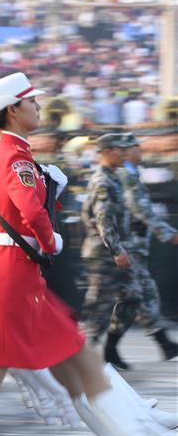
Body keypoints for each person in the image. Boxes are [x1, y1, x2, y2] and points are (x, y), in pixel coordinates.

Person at [0, 73, 175, 436]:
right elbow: (30, 211)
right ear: (13, 109)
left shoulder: (0, 152)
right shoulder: (12, 156)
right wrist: (51, 241)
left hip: (12, 276)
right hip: (10, 278)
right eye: (32, 101)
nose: (39, 107)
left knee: (81, 363)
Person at [80, 133, 141, 369]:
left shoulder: (116, 178)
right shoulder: (102, 181)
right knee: (98, 308)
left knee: (132, 297)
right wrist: (117, 250)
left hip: (116, 250)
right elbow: (103, 220)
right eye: (119, 149)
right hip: (103, 253)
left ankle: (110, 349)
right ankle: (81, 358)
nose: (124, 153)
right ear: (106, 152)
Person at [118, 132, 178, 360]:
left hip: (135, 244)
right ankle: (96, 345)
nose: (141, 151)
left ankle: (162, 343)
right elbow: (140, 210)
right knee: (134, 295)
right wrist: (168, 233)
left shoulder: (134, 173)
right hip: (126, 246)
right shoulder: (125, 175)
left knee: (137, 295)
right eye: (136, 148)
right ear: (125, 151)